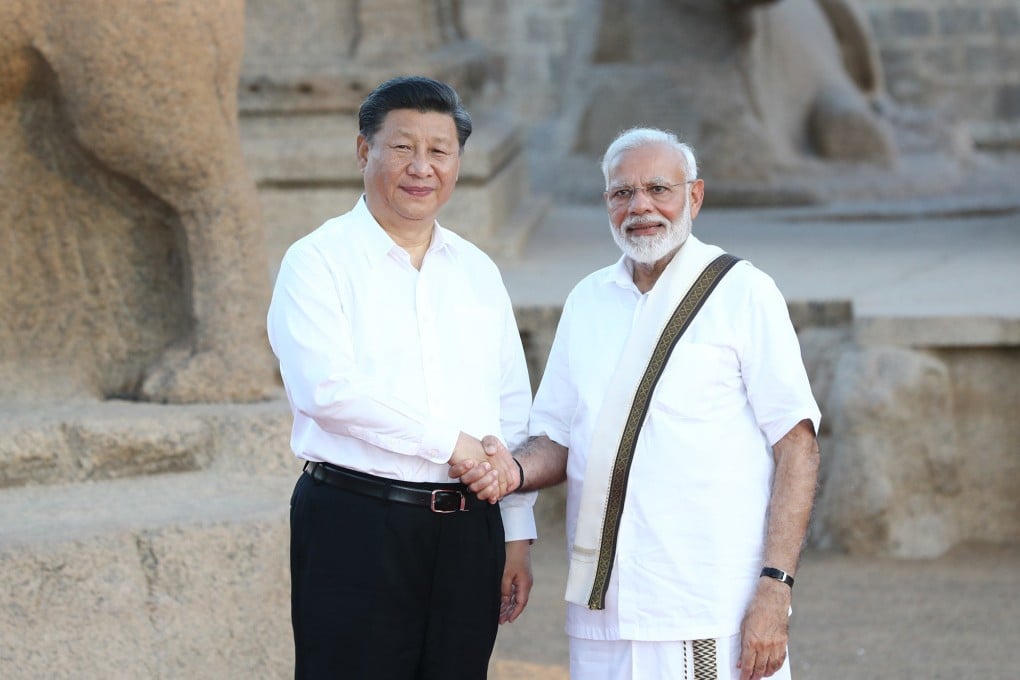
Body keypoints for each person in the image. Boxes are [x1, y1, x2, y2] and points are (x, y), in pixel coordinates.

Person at [455, 127, 821, 680]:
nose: (640, 206)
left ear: (694, 197)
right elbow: (555, 437)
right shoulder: (586, 300)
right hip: (604, 608)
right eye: (622, 193)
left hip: (708, 602)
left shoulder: (743, 292)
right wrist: (509, 470)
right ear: (607, 204)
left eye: (658, 189)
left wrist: (776, 587)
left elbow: (798, 447)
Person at [267, 75, 536, 679]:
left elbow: (511, 408)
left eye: (439, 151)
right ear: (365, 152)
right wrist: (452, 444)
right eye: (402, 147)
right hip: (356, 521)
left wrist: (516, 534)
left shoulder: (477, 270)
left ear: (458, 161)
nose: (422, 167)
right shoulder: (316, 260)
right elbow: (325, 392)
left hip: (471, 530)